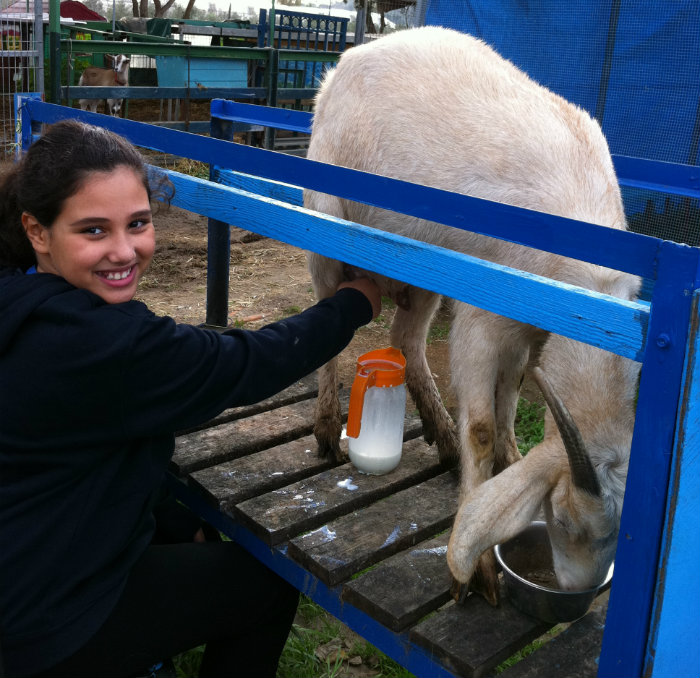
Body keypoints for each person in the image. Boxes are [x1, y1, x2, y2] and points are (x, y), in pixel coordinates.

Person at [0, 119, 382, 678]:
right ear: (37, 231)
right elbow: (242, 364)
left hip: (27, 551)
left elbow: (96, 433)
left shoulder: (21, 296)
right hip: (44, 623)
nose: (124, 250)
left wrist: (170, 520)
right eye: (93, 231)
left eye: (138, 223)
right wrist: (353, 303)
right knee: (265, 589)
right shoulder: (99, 345)